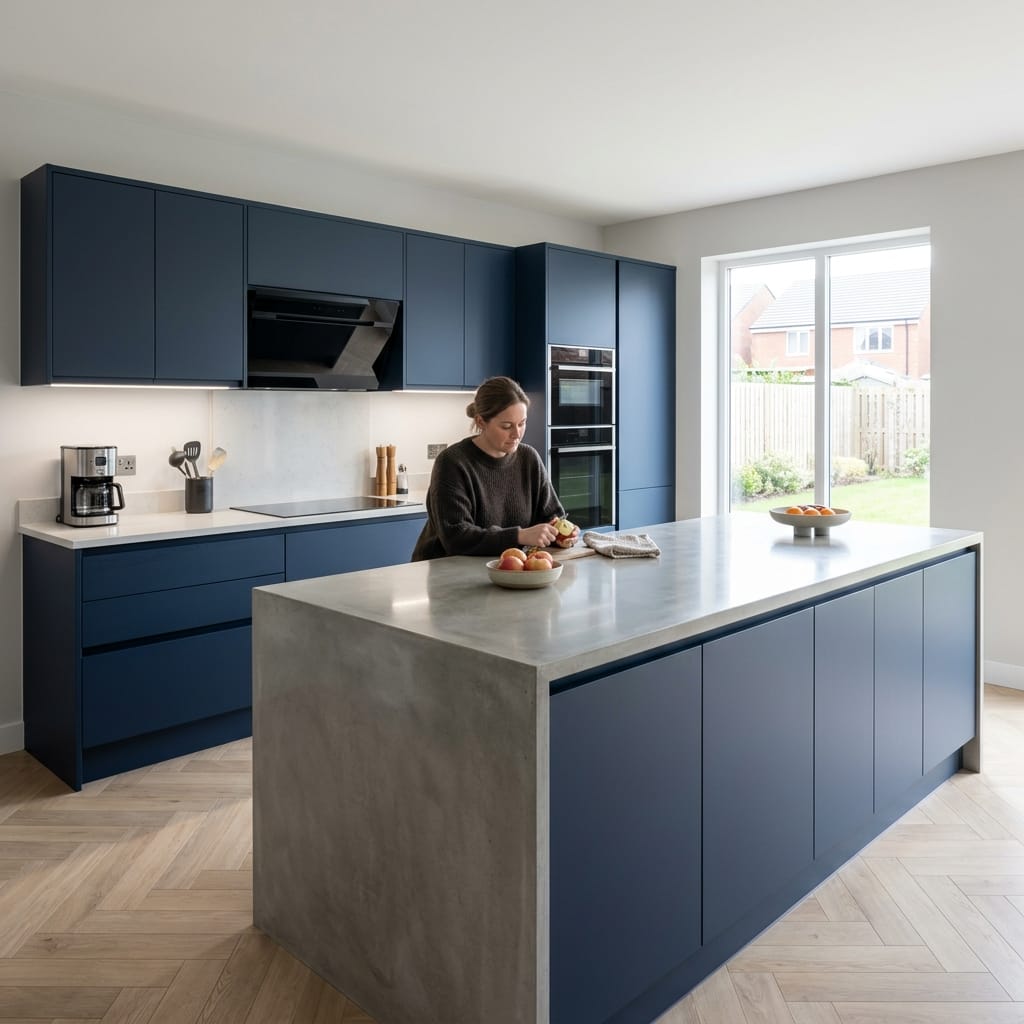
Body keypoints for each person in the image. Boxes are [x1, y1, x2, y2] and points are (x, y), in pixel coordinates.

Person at [411, 376, 574, 561]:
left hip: (506, 567)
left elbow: (552, 516)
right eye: (507, 426)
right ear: (481, 422)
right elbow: (456, 537)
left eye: (522, 423)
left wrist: (562, 532)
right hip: (447, 571)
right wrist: (519, 536)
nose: (517, 434)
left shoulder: (529, 458)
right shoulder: (452, 462)